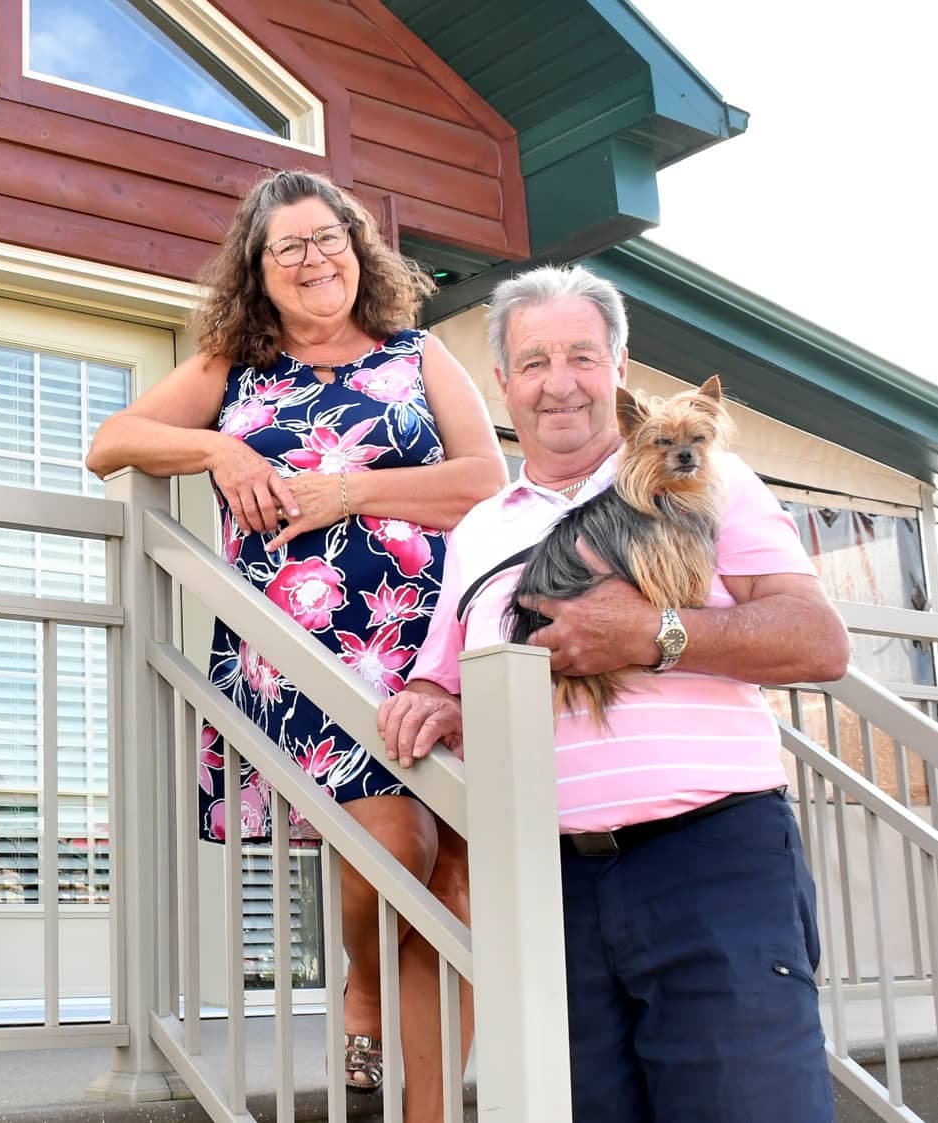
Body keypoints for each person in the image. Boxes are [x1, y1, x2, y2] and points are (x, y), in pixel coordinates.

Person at [379, 264, 848, 1123]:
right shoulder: (480, 527)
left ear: (620, 368)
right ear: (503, 383)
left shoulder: (703, 476)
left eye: (582, 356)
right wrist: (435, 701)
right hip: (542, 882)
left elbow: (817, 641)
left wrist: (655, 634)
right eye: (534, 361)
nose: (559, 382)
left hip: (707, 857)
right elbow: (444, 674)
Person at [87, 169, 507, 1115]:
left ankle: (430, 1109)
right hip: (300, 654)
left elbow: (486, 478)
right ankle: (361, 983)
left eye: (330, 239)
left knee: (457, 880)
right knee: (394, 846)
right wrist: (220, 450)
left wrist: (347, 491)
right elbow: (111, 441)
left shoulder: (415, 354)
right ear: (260, 271)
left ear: (358, 251)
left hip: (429, 651)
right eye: (291, 248)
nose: (316, 260)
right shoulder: (234, 368)